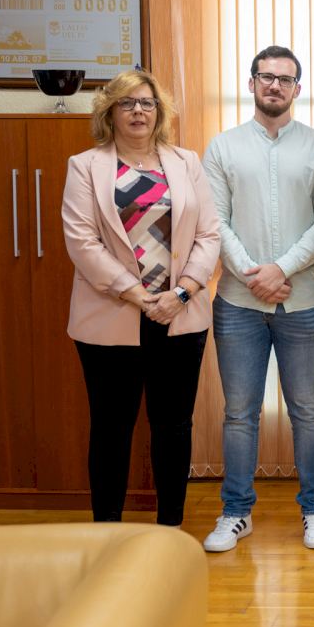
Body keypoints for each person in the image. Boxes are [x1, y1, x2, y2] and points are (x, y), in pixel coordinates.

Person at [61, 69, 220, 526]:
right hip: (111, 317)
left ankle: (170, 527)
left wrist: (182, 292)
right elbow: (82, 242)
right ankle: (107, 531)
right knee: (111, 428)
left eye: (147, 103)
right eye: (127, 103)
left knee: (174, 426)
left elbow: (209, 234)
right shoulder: (86, 166)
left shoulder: (186, 162)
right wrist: (138, 296)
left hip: (179, 315)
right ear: (110, 112)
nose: (138, 111)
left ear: (159, 112)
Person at [200, 46, 314, 553]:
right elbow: (215, 222)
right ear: (251, 83)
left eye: (285, 78)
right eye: (266, 76)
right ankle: (236, 512)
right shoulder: (222, 147)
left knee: (307, 410)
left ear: (298, 88)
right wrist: (254, 276)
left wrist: (280, 269)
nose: (274, 85)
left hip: (304, 301)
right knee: (239, 413)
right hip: (238, 305)